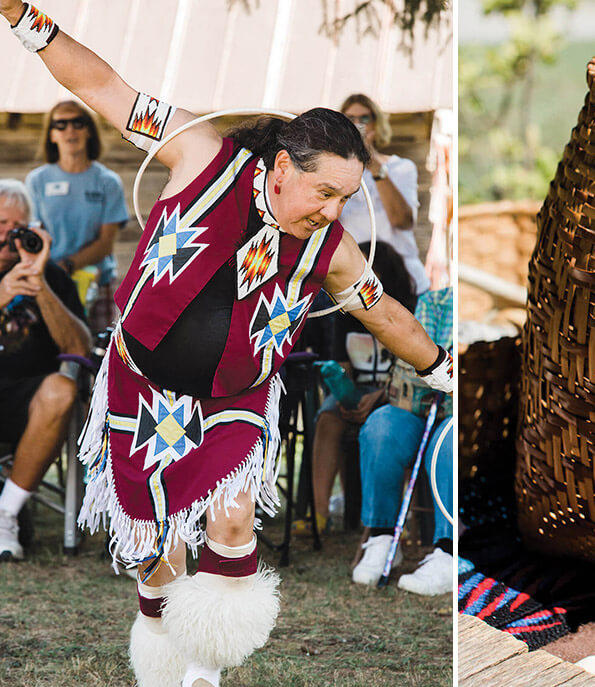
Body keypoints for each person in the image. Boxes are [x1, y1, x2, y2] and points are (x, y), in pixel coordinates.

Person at [0, 4, 453, 687]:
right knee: (159, 551)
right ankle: (161, 641)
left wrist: (443, 369)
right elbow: (102, 86)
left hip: (237, 394)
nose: (333, 211)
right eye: (324, 192)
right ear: (281, 166)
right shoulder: (200, 155)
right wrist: (25, 19)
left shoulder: (332, 248)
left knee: (233, 514)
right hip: (144, 385)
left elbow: (384, 313)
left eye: (345, 197)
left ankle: (204, 671)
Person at [0, 179, 91, 561]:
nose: (8, 236)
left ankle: (6, 514)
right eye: (1, 225)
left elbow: (80, 349)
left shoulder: (50, 275)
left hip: (30, 403)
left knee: (62, 388)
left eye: (17, 228)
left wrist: (40, 284)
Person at [301, 240, 417, 536]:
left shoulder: (408, 310)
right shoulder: (347, 310)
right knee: (327, 419)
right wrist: (344, 395)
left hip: (396, 392)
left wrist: (380, 396)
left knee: (394, 425)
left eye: (367, 267)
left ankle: (396, 518)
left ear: (384, 271)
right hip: (357, 391)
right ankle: (320, 513)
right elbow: (344, 366)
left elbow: (410, 371)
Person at [352, 287, 453, 595]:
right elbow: (410, 358)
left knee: (446, 444)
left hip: (456, 412)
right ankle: (383, 537)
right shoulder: (435, 302)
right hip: (415, 407)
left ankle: (448, 551)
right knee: (380, 428)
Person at [25, 99, 129, 332]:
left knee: (98, 348)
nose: (70, 130)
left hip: (97, 282)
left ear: (89, 131)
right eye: (60, 125)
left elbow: (105, 243)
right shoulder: (37, 181)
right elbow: (34, 233)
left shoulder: (107, 182)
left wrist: (68, 266)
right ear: (52, 135)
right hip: (50, 283)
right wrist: (53, 273)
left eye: (77, 123)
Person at [339, 93, 430, 294]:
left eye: (365, 118)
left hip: (401, 278)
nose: (357, 124)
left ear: (376, 123)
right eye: (350, 119)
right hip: (354, 281)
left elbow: (402, 221)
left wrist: (374, 166)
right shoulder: (336, 172)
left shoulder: (402, 168)